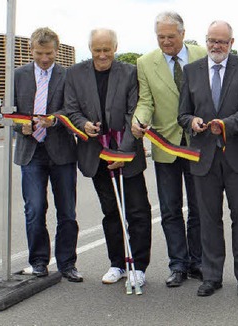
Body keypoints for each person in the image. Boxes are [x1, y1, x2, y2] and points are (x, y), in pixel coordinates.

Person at [177, 21, 238, 298]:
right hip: (203, 158)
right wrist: (194, 121)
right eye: (212, 40)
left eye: (222, 42)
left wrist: (223, 125)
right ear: (206, 40)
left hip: (237, 157)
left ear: (232, 43)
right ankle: (211, 276)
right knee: (208, 219)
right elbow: (183, 114)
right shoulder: (190, 71)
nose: (216, 46)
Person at [64, 28, 152, 288]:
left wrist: (123, 152)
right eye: (97, 50)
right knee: (110, 211)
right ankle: (117, 264)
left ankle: (138, 266)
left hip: (126, 152)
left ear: (115, 47)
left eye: (107, 50)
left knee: (137, 211)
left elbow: (132, 113)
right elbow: (71, 109)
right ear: (90, 48)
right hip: (96, 152)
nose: (102, 55)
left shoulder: (129, 72)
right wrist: (84, 125)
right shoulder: (75, 74)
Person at [131, 11, 207, 287]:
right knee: (170, 209)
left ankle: (198, 261)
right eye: (161, 37)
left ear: (183, 34)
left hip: (199, 145)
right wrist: (139, 119)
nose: (165, 42)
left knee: (199, 208)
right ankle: (178, 264)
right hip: (166, 146)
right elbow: (146, 101)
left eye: (171, 37)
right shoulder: (145, 62)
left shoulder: (202, 54)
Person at [12, 27, 81, 282]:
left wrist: (56, 120)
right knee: (34, 208)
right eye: (39, 53)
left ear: (57, 50)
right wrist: (22, 126)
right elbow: (11, 113)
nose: (44, 59)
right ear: (31, 50)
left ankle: (67, 263)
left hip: (61, 151)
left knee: (67, 211)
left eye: (49, 53)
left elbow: (72, 109)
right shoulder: (17, 76)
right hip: (31, 152)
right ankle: (39, 261)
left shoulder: (68, 75)